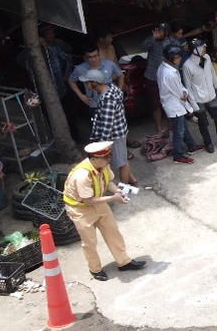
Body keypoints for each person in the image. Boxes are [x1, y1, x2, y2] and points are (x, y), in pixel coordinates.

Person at [62, 141, 147, 281]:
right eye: (105, 157)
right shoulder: (82, 175)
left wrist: (117, 191)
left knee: (113, 232)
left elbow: (108, 182)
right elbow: (88, 200)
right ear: (93, 159)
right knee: (89, 242)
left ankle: (123, 261)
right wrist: (113, 198)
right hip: (80, 209)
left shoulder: (103, 165)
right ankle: (95, 269)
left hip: (99, 203)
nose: (109, 159)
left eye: (109, 156)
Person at [182, 39, 217, 153]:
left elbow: (213, 74)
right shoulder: (187, 66)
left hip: (212, 96)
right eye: (202, 47)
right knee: (203, 124)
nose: (205, 49)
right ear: (195, 50)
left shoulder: (207, 58)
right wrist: (193, 105)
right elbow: (188, 88)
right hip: (199, 100)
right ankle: (208, 143)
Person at [83, 69, 135, 186]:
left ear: (95, 83)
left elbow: (107, 124)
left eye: (87, 82)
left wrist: (102, 144)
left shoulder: (107, 99)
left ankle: (124, 188)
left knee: (121, 163)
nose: (86, 85)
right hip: (120, 130)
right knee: (123, 158)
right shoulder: (111, 88)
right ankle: (132, 179)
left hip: (115, 136)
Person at [158, 43, 201, 163]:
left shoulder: (163, 67)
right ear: (172, 58)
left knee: (183, 127)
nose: (180, 59)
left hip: (173, 104)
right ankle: (178, 155)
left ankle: (192, 146)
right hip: (174, 106)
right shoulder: (169, 73)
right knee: (179, 132)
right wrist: (185, 95)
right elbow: (180, 93)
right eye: (178, 57)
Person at [68, 41, 123, 112]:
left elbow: (121, 76)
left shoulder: (109, 64)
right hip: (94, 105)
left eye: (95, 56)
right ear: (85, 57)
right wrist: (80, 95)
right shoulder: (79, 69)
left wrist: (119, 91)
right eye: (90, 57)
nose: (93, 59)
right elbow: (71, 80)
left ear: (99, 54)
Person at [141, 22, 170, 133]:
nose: (159, 33)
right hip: (152, 77)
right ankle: (158, 128)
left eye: (161, 31)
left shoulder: (171, 42)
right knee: (155, 105)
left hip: (166, 78)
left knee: (168, 102)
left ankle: (171, 124)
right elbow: (142, 47)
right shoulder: (152, 40)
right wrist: (153, 38)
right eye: (158, 30)